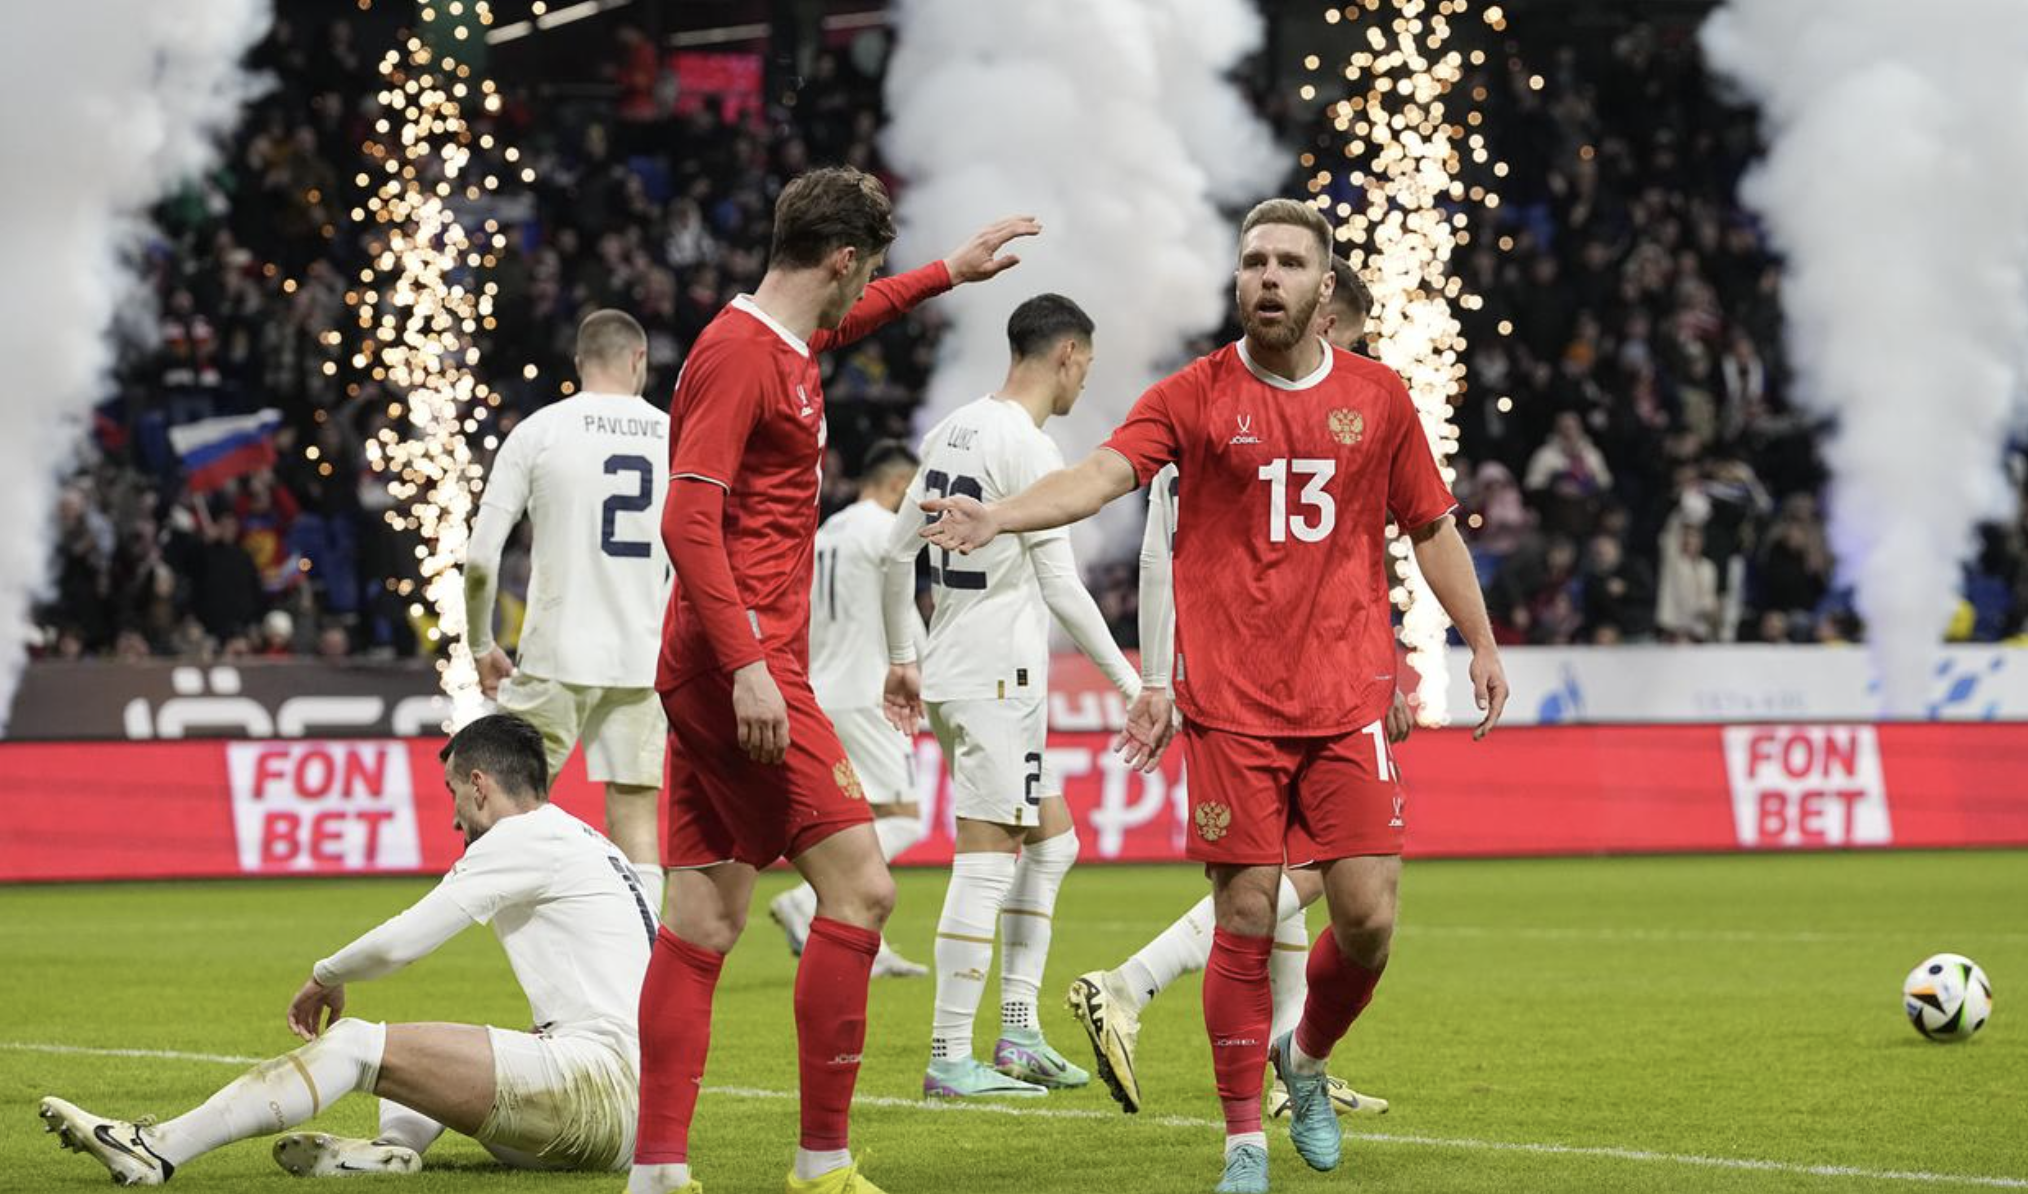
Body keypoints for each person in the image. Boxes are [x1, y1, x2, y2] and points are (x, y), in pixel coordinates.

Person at [919, 199, 1507, 1194]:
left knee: (1366, 917)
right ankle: (1242, 1141)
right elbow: (1103, 475)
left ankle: (1305, 1060)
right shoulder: (1194, 395)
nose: (1266, 277)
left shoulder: (1381, 399)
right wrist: (1005, 516)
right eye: (1253, 262)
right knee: (1243, 912)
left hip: (1349, 697)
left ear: (1325, 288)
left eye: (1287, 263)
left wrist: (1481, 642)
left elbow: (1433, 528)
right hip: (1232, 704)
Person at [630, 165, 1036, 1194]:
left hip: (724, 661)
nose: (865, 296)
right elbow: (687, 520)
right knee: (861, 891)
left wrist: (950, 271)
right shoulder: (737, 357)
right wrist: (752, 672)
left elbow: (848, 323)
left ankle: (659, 1172)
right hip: (741, 666)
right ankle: (820, 1162)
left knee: (705, 919)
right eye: (870, 275)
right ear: (842, 260)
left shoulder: (783, 342)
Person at [38, 714, 656, 1184]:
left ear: (479, 784)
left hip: (588, 1093)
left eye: (451, 794)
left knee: (361, 1042)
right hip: (629, 1116)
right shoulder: (585, 841)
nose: (452, 818)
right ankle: (394, 1154)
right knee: (414, 1051)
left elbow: (405, 941)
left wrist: (324, 973)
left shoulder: (521, 838)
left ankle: (156, 1149)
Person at [1068, 256, 1401, 1121]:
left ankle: (1294, 1062)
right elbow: (1159, 548)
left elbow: (1352, 552)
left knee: (1307, 874)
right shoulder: (1216, 407)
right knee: (1293, 876)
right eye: (1349, 343)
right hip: (1242, 684)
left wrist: (1382, 658)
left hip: (1327, 678)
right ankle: (1139, 986)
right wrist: (1157, 677)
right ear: (1325, 323)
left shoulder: (1342, 408)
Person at [880, 294, 1141, 1100]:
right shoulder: (1026, 447)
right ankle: (951, 1057)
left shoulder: (953, 428)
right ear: (1066, 354)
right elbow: (1061, 588)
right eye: (1085, 366)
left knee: (1052, 842)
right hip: (998, 676)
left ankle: (1019, 1031)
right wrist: (1136, 687)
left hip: (964, 669)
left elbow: (895, 558)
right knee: (987, 859)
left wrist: (903, 657)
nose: (1082, 382)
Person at [463, 309, 671, 914]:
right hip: (643, 657)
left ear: (580, 364)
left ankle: (543, 955)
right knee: (635, 816)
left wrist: (480, 644)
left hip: (556, 652)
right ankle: (640, 970)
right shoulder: (674, 434)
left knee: (506, 812)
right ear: (639, 361)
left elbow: (481, 558)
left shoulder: (541, 430)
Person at [768, 438, 932, 979]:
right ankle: (802, 898)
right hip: (870, 692)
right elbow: (903, 611)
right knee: (905, 819)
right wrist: (926, 669)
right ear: (898, 486)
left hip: (823, 690)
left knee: (859, 822)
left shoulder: (825, 533)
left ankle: (869, 944)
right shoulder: (886, 531)